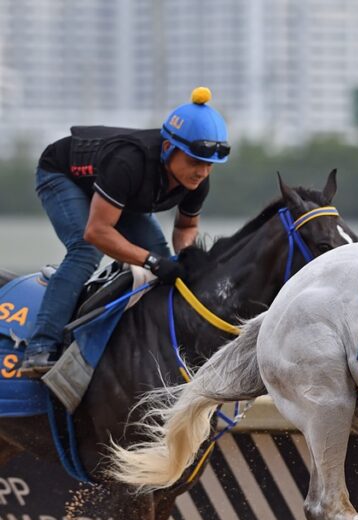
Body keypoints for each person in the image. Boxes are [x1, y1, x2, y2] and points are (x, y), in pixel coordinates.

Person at [19, 86, 230, 377]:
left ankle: (151, 344)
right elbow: (97, 231)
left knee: (163, 259)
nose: (202, 172)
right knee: (86, 250)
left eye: (209, 165)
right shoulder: (129, 162)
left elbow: (186, 227)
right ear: (167, 149)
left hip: (118, 193)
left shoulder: (198, 181)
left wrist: (186, 260)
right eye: (195, 162)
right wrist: (151, 261)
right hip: (62, 174)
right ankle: (40, 348)